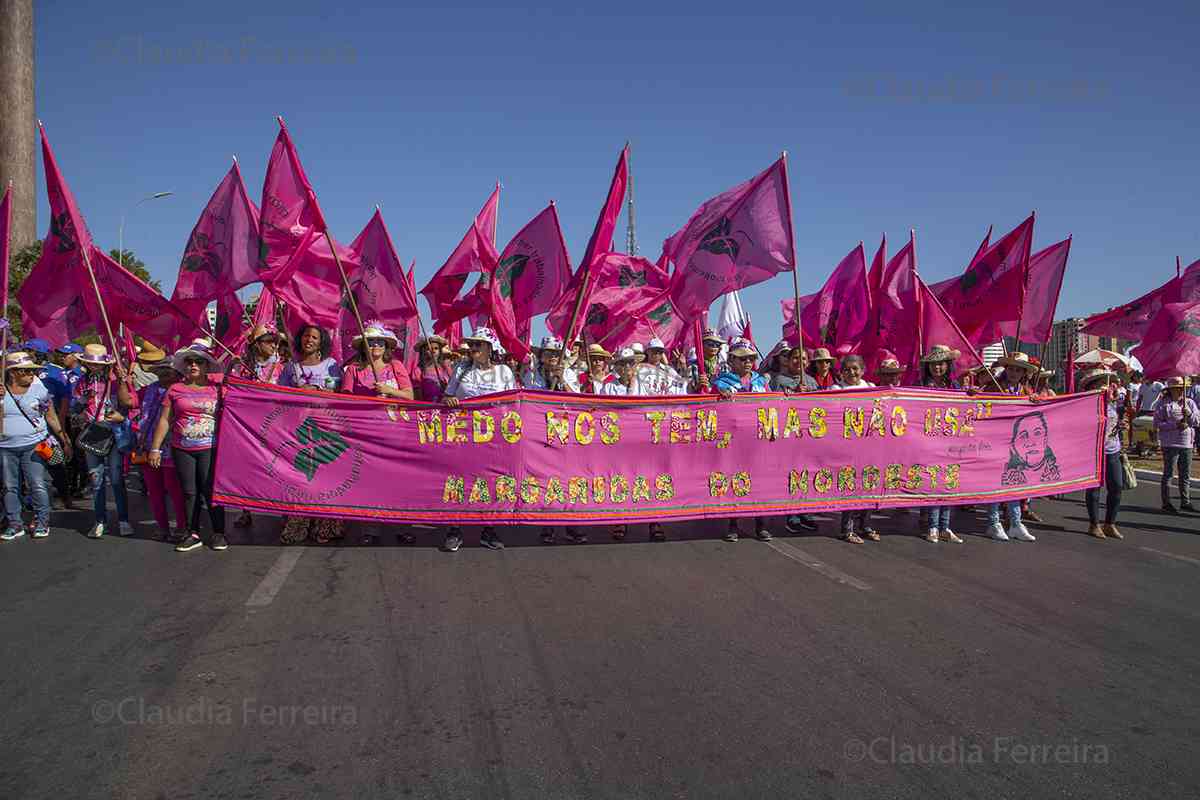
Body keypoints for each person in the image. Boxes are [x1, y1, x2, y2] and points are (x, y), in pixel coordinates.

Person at [341, 323, 416, 545]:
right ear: (363, 346)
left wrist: (389, 391)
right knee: (370, 480)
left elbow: (409, 396)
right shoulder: (353, 369)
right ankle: (370, 528)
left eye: (380, 342)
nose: (375, 345)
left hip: (395, 432)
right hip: (366, 433)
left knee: (398, 479)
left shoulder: (396, 366)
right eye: (371, 341)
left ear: (386, 346)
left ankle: (403, 525)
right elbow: (345, 400)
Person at [148, 343, 228, 552]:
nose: (193, 365)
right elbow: (165, 420)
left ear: (206, 366)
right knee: (189, 492)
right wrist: (155, 448)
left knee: (210, 490)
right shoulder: (175, 389)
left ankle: (219, 532)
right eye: (189, 362)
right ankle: (192, 533)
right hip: (181, 448)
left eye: (198, 361)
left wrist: (235, 363)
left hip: (210, 448)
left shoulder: (218, 388)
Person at [443, 327, 515, 552]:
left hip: (494, 437)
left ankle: (488, 530)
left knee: (490, 482)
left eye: (478, 345)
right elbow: (447, 396)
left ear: (489, 348)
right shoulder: (461, 369)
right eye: (472, 344)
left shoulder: (504, 372)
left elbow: (513, 402)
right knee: (460, 480)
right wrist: (450, 400)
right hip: (464, 434)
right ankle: (455, 529)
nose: (472, 348)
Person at [0, 352, 70, 540]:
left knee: (37, 484)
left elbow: (51, 416)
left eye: (33, 371)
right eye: (26, 371)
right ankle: (15, 524)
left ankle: (42, 521)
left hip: (34, 445)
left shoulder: (39, 391)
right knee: (9, 486)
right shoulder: (1, 390)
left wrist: (64, 438)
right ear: (13, 373)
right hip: (5, 447)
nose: (31, 375)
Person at [711, 338, 772, 543]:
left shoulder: (761, 382)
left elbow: (773, 405)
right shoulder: (721, 382)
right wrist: (715, 393)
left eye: (751, 358)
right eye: (743, 359)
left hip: (757, 439)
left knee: (760, 482)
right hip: (733, 440)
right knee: (734, 481)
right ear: (732, 360)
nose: (747, 362)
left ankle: (761, 525)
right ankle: (733, 524)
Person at [72, 344, 133, 539]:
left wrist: (121, 417)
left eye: (97, 364)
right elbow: (75, 409)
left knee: (116, 479)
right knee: (96, 479)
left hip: (113, 433)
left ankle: (123, 520)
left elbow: (130, 406)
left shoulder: (116, 382)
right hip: (93, 433)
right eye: (90, 364)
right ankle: (100, 521)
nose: (94, 367)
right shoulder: (82, 382)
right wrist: (82, 401)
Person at [130, 351, 188, 541]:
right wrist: (124, 381)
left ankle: (181, 527)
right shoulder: (148, 389)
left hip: (174, 446)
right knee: (155, 491)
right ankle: (162, 527)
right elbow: (128, 401)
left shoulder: (184, 391)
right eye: (161, 369)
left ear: (178, 373)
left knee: (175, 490)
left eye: (168, 369)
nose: (164, 373)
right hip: (148, 446)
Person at [985, 352, 1038, 542]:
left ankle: (1016, 523)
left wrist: (1036, 402)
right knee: (995, 483)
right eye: (1011, 368)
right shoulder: (993, 387)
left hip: (1016, 445)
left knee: (1015, 481)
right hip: (996, 442)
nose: (1014, 372)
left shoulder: (1026, 391)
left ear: (1024, 373)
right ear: (1006, 369)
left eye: (1018, 369)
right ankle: (993, 523)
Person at [920, 345, 964, 543]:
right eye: (934, 364)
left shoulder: (954, 386)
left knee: (949, 483)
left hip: (950, 440)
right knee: (933, 484)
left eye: (941, 364)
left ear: (947, 365)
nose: (937, 368)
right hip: (928, 440)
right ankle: (932, 527)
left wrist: (970, 394)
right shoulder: (920, 385)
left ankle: (945, 526)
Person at [831, 354, 876, 542]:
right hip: (846, 446)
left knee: (868, 485)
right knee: (850, 486)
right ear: (841, 373)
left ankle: (865, 525)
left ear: (863, 370)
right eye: (847, 369)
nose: (852, 372)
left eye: (855, 368)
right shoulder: (835, 389)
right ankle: (847, 529)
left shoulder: (872, 388)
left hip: (869, 445)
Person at [1080, 368, 1127, 539]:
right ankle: (1094, 524)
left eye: (1106, 383)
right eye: (1100, 384)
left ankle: (1110, 523)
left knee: (1117, 486)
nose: (1105, 387)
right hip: (1094, 452)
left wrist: (1121, 425)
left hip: (1113, 450)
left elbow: (1114, 424)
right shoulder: (1086, 406)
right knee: (1094, 489)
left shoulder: (1113, 404)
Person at [1155, 376, 1199, 514]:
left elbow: (1197, 421)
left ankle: (1185, 501)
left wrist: (1190, 414)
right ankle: (1166, 502)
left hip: (1187, 443)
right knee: (1168, 474)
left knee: (1185, 474)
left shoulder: (1190, 403)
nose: (1180, 391)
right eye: (1177, 389)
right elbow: (1157, 423)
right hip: (1170, 443)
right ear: (1171, 390)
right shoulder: (1163, 404)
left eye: (1182, 388)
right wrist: (1175, 425)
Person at [280, 323, 342, 391]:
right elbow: (282, 391)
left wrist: (317, 389)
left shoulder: (330, 364)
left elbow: (336, 389)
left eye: (314, 338)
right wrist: (298, 390)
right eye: (306, 336)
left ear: (320, 344)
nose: (309, 340)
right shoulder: (291, 366)